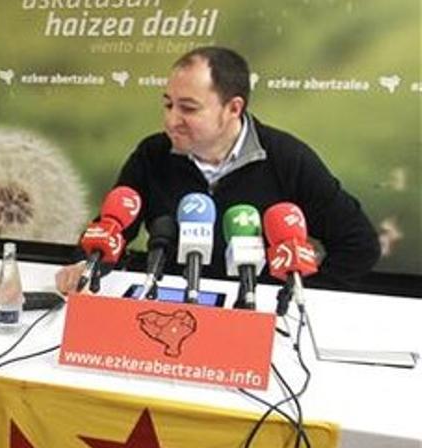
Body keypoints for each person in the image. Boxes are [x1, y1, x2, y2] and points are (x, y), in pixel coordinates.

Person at [55, 46, 380, 294]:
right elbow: (112, 231)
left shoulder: (286, 158)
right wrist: (84, 266)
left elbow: (358, 245)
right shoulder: (152, 154)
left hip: (256, 318)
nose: (170, 120)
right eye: (168, 104)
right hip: (166, 308)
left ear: (233, 108)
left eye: (188, 108)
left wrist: (294, 297)